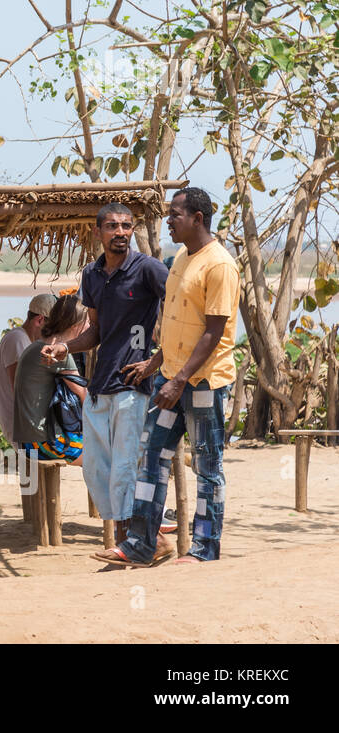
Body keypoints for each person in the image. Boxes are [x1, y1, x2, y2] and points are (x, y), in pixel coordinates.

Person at [94, 188, 240, 567]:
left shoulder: (219, 265)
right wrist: (157, 364)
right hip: (170, 379)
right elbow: (177, 329)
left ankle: (205, 548)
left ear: (198, 218)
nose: (168, 220)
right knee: (150, 456)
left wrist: (180, 380)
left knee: (207, 465)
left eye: (175, 214)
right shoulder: (179, 260)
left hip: (203, 382)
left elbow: (213, 331)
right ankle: (143, 544)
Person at [41, 203, 168, 541]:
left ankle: (131, 543)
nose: (121, 232)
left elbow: (181, 313)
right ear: (98, 232)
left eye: (126, 226)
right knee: (97, 468)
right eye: (112, 226)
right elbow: (95, 331)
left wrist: (156, 360)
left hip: (132, 386)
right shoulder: (92, 275)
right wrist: (65, 347)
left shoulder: (149, 270)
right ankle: (140, 539)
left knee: (125, 467)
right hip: (100, 386)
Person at [13, 295, 89, 463]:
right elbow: (85, 397)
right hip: (43, 443)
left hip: (26, 441)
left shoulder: (37, 346)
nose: (90, 327)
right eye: (88, 323)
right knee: (105, 456)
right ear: (76, 327)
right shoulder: (58, 353)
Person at [0, 294, 57, 444]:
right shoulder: (17, 339)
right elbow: (22, 392)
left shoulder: (25, 340)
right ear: (40, 320)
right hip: (23, 430)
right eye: (52, 328)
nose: (52, 333)